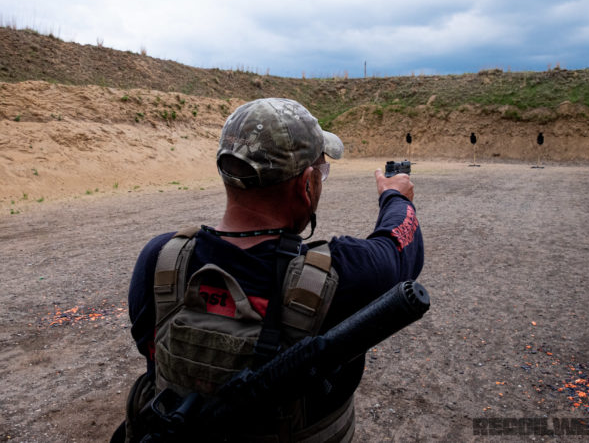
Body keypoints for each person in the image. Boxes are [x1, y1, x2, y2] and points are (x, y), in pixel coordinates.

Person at [121, 98, 424, 442]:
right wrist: (396, 197)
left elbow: (150, 350)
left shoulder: (161, 260)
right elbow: (400, 248)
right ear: (306, 185)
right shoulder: (342, 277)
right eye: (321, 172)